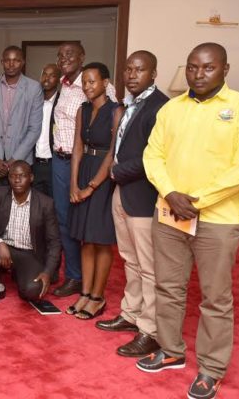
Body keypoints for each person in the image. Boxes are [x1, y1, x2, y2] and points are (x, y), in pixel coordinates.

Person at [138, 43, 239, 399]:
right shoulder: (171, 109)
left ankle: (211, 368)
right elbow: (153, 155)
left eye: (208, 67)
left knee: (215, 297)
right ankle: (171, 350)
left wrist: (197, 201)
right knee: (168, 287)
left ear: (225, 69)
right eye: (193, 67)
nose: (198, 74)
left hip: (218, 220)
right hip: (169, 214)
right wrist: (170, 193)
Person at [95, 51, 168, 358]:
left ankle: (150, 330)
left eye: (139, 70)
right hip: (122, 193)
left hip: (143, 196)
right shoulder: (130, 104)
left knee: (149, 267)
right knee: (129, 259)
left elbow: (154, 156)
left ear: (153, 74)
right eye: (128, 69)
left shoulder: (160, 106)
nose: (132, 75)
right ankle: (131, 314)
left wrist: (116, 172)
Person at [50, 42, 117, 298]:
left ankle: (87, 285)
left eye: (69, 54)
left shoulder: (100, 86)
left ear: (82, 56)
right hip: (62, 161)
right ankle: (75, 276)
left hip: (90, 163)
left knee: (90, 226)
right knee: (66, 221)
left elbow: (110, 127)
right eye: (60, 55)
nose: (63, 59)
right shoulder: (64, 86)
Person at [66, 62, 123, 320]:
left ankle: (98, 297)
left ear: (105, 83)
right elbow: (77, 147)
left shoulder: (116, 110)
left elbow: (113, 152)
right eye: (84, 82)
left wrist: (91, 187)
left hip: (103, 177)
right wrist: (74, 184)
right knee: (85, 239)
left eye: (92, 81)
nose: (87, 86)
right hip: (84, 171)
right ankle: (85, 293)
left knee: (101, 240)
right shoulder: (83, 109)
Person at [0, 161, 60, 308]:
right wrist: (0, 243)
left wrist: (47, 272)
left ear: (31, 177)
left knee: (32, 291)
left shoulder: (45, 203)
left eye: (22, 176)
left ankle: (19, 275)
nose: (17, 180)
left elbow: (54, 243)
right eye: (13, 176)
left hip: (29, 254)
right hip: (5, 249)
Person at [0, 45, 44, 200]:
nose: (11, 64)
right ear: (2, 62)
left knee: (20, 205)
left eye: (16, 60)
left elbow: (34, 129)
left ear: (23, 62)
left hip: (21, 160)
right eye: (7, 60)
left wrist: (13, 161)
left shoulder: (34, 88)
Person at [32, 63, 61, 197]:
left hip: (54, 164)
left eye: (52, 75)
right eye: (45, 74)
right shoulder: (33, 101)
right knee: (35, 203)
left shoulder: (62, 102)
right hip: (34, 163)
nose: (47, 78)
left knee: (55, 203)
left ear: (59, 79)